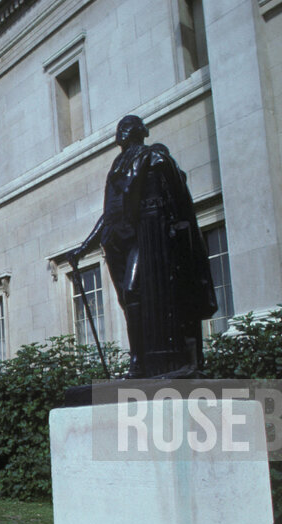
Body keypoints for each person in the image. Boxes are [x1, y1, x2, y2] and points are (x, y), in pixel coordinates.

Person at [67, 115, 218, 378]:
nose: (120, 132)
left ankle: (151, 361)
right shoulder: (117, 164)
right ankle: (139, 361)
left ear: (137, 131)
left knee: (133, 289)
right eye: (119, 127)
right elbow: (111, 213)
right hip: (116, 241)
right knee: (128, 299)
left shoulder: (154, 158)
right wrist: (83, 247)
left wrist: (173, 232)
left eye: (125, 127)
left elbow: (176, 201)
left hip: (146, 237)